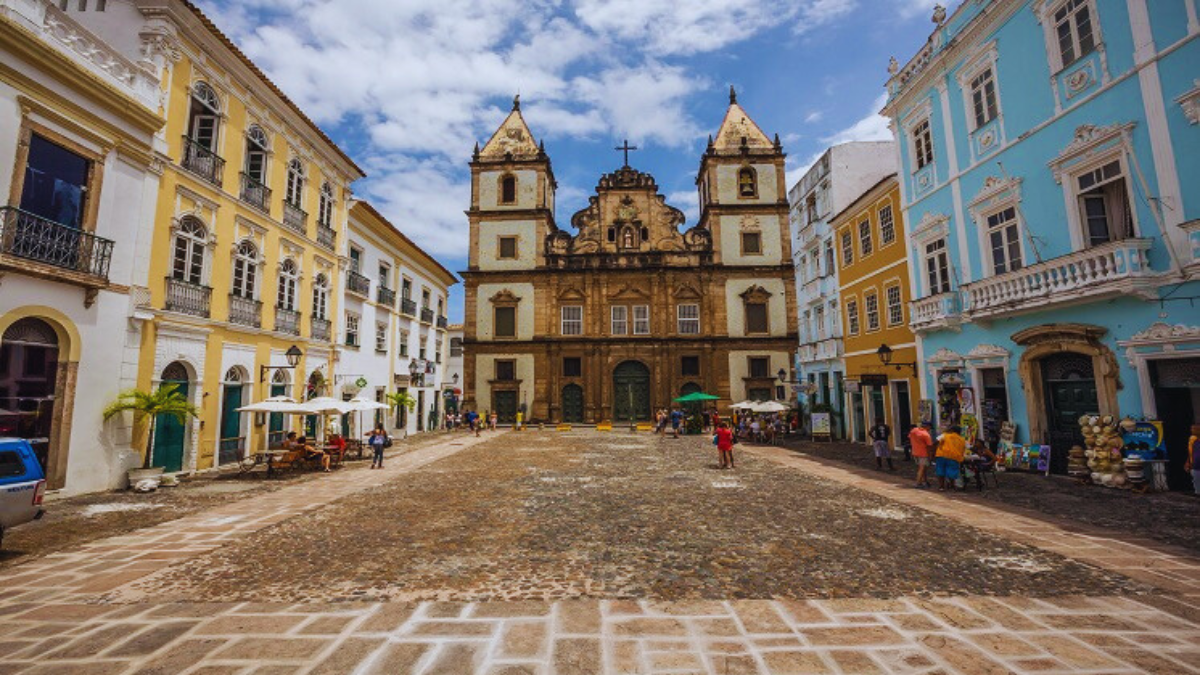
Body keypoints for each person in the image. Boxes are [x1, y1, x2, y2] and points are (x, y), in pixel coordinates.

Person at [934, 425, 967, 492]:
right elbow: (964, 448)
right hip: (954, 457)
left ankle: (941, 487)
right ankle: (952, 486)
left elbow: (936, 442)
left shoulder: (944, 435)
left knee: (940, 471)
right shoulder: (962, 439)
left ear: (951, 430)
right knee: (952, 472)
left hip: (942, 455)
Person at [908, 421, 934, 489]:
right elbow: (929, 446)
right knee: (922, 468)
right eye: (930, 428)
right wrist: (930, 455)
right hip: (923, 453)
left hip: (915, 452)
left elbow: (910, 438)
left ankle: (924, 481)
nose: (930, 429)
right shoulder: (926, 435)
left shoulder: (913, 430)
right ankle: (918, 483)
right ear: (928, 427)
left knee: (922, 468)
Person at [1186, 424, 1200, 495]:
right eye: (1192, 429)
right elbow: (1190, 452)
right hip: (1195, 466)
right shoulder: (1192, 439)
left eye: (1194, 429)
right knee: (1197, 486)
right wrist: (1188, 463)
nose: (1192, 430)